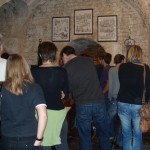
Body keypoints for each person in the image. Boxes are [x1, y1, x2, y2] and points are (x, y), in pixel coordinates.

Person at [60, 46, 111, 150]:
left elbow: (66, 90)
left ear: (65, 55)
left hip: (82, 104)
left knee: (85, 137)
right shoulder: (89, 61)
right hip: (99, 101)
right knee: (104, 134)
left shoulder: (65, 68)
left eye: (62, 57)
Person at [0, 54, 47, 150]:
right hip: (28, 136)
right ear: (24, 66)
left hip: (7, 136)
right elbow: (43, 115)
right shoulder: (35, 88)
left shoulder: (3, 88)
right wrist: (39, 139)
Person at [32, 41, 69, 150]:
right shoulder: (62, 71)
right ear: (54, 54)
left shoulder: (33, 72)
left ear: (40, 55)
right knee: (62, 144)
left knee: (44, 144)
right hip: (58, 112)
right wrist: (62, 94)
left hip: (40, 113)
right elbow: (66, 95)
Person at [117, 45, 150, 150]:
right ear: (140, 54)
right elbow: (148, 88)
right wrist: (146, 101)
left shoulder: (122, 67)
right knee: (137, 134)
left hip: (123, 102)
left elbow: (123, 83)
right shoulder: (145, 68)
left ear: (129, 54)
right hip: (138, 104)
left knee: (126, 133)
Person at [108, 54, 125, 147]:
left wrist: (109, 97)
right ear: (122, 60)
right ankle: (119, 140)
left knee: (108, 118)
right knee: (123, 120)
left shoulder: (112, 70)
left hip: (114, 96)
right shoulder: (125, 69)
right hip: (123, 98)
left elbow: (111, 85)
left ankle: (108, 135)